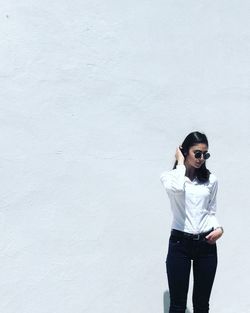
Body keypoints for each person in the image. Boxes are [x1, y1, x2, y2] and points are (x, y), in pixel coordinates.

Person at [160, 131, 224, 313]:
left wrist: (219, 228)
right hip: (180, 244)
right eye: (197, 153)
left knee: (202, 305)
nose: (201, 158)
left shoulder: (211, 180)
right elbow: (178, 189)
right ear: (185, 151)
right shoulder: (169, 177)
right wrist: (180, 163)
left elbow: (211, 211)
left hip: (206, 245)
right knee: (178, 305)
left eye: (205, 154)